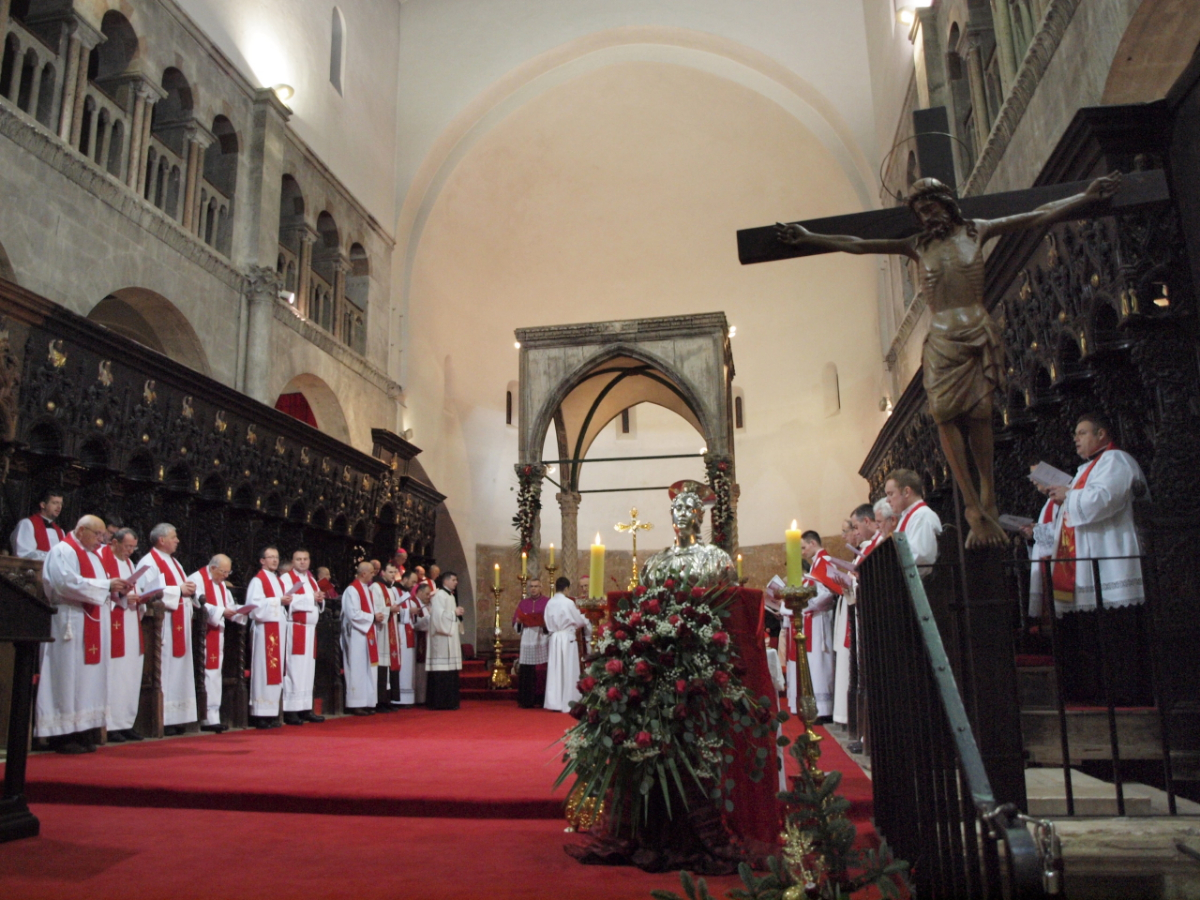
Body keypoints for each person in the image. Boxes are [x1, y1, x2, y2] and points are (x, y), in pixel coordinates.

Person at [778, 172, 1122, 548]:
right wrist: (810, 237)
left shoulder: (977, 230)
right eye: (920, 212)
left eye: (931, 207)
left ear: (946, 204)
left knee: (980, 415)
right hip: (942, 340)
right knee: (943, 414)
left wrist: (1084, 196)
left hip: (976, 331)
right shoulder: (917, 245)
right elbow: (858, 244)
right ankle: (973, 507)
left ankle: (987, 501)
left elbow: (1037, 214)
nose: (927, 216)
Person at [1045, 413, 1151, 705]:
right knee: (1093, 635)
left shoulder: (1117, 461)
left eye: (1082, 433)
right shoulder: (1086, 468)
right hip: (1090, 564)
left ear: (1102, 434)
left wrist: (1069, 496)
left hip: (1113, 560)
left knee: (1117, 635)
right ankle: (1097, 693)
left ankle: (1125, 696)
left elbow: (1103, 501)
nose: (1076, 439)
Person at [37, 514, 126, 753]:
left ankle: (83, 729)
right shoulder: (62, 551)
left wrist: (117, 590)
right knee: (67, 676)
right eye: (97, 534)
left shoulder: (94, 556)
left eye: (103, 535)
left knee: (89, 677)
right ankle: (61, 735)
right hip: (69, 622)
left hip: (92, 620)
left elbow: (101, 587)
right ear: (80, 531)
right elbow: (64, 584)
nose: (101, 540)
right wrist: (106, 586)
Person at [136, 523, 197, 735]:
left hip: (179, 622)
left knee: (179, 671)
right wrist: (178, 590)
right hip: (163, 626)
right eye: (174, 537)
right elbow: (147, 591)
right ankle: (165, 717)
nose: (177, 540)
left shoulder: (175, 562)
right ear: (161, 540)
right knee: (166, 669)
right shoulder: (149, 562)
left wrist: (190, 590)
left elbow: (181, 588)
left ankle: (177, 717)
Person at [100, 528, 146, 743]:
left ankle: (126, 722)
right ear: (115, 542)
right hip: (112, 621)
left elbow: (134, 589)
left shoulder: (129, 564)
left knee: (130, 673)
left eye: (133, 547)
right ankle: (110, 724)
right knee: (115, 673)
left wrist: (139, 598)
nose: (130, 551)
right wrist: (122, 597)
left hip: (131, 622)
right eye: (127, 546)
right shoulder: (102, 558)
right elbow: (99, 590)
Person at [189, 554, 240, 733]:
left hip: (218, 632)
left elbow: (229, 605)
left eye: (228, 572)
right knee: (207, 673)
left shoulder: (221, 584)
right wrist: (221, 611)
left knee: (215, 673)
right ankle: (205, 717)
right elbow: (197, 603)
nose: (226, 576)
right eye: (223, 572)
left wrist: (239, 611)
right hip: (202, 633)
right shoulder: (197, 579)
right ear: (212, 568)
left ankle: (213, 716)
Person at [243, 545, 291, 728]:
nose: (275, 560)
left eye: (276, 557)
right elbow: (254, 607)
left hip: (277, 630)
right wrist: (278, 601)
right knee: (263, 671)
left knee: (275, 673)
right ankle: (260, 714)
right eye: (270, 557)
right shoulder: (258, 581)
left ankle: (271, 713)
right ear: (262, 560)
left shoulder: (276, 580)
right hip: (265, 631)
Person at [800, 531, 840, 722]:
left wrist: (808, 605)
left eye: (803, 547)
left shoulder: (824, 562)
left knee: (822, 662)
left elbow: (828, 593)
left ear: (813, 543)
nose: (802, 552)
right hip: (814, 618)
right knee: (816, 663)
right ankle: (819, 707)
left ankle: (826, 709)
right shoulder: (817, 563)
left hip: (821, 619)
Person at [282, 549, 325, 725]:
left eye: (305, 559)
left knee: (308, 670)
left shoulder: (312, 580)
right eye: (298, 559)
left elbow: (317, 601)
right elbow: (287, 600)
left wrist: (320, 599)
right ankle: (291, 710)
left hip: (310, 630)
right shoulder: (286, 578)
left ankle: (306, 708)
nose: (302, 562)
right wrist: (311, 597)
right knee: (294, 668)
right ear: (293, 561)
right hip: (296, 628)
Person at [543, 576, 591, 713]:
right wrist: (585, 617)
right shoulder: (568, 602)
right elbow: (579, 621)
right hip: (567, 637)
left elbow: (546, 621)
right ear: (566, 588)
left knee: (555, 669)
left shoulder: (550, 603)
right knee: (568, 668)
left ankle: (554, 702)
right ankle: (569, 701)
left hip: (554, 638)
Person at [342, 561, 381, 715]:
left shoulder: (367, 590)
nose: (373, 575)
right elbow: (353, 613)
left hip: (367, 633)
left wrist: (377, 616)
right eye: (371, 572)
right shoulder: (352, 590)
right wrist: (372, 617)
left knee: (368, 668)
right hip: (356, 635)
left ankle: (367, 702)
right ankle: (355, 703)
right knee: (357, 668)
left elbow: (370, 610)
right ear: (363, 573)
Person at [884, 469, 942, 570]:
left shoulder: (922, 516)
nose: (887, 500)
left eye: (891, 494)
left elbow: (921, 558)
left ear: (906, 492)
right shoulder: (908, 516)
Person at [426, 571, 464, 710]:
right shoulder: (439, 595)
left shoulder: (450, 596)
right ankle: (440, 702)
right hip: (441, 639)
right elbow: (438, 617)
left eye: (456, 580)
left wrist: (457, 614)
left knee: (450, 671)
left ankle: (450, 701)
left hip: (450, 638)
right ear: (445, 581)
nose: (456, 582)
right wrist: (454, 613)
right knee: (442, 670)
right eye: (453, 580)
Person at [512, 576, 550, 708]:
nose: (533, 589)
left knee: (542, 670)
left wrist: (545, 624)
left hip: (541, 637)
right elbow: (516, 621)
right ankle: (526, 700)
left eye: (536, 586)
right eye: (531, 586)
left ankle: (541, 699)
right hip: (527, 638)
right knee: (527, 670)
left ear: (541, 587)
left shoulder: (547, 602)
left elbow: (551, 620)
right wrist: (518, 622)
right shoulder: (523, 603)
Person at [371, 562, 402, 712]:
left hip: (390, 630)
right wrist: (390, 609)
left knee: (389, 665)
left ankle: (388, 699)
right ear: (382, 572)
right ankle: (380, 701)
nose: (393, 575)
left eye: (394, 572)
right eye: (390, 572)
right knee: (382, 665)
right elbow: (375, 609)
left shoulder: (391, 589)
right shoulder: (376, 587)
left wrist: (395, 609)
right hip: (381, 631)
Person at [393, 569, 423, 705]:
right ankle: (398, 698)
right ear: (404, 579)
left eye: (416, 582)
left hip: (408, 632)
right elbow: (392, 611)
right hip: (399, 632)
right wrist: (408, 611)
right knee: (402, 665)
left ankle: (407, 699)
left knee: (408, 666)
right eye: (413, 581)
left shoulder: (407, 595)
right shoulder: (394, 591)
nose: (414, 585)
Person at [11, 489, 65, 560]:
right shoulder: (27, 524)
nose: (59, 507)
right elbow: (24, 554)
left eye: (61, 504)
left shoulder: (60, 531)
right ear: (43, 505)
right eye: (55, 503)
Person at [410, 581, 433, 704]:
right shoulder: (413, 603)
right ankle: (418, 698)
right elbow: (414, 624)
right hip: (417, 639)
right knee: (418, 669)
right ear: (419, 592)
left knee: (422, 669)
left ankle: (422, 697)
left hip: (425, 639)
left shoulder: (424, 605)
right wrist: (428, 618)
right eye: (427, 594)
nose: (429, 596)